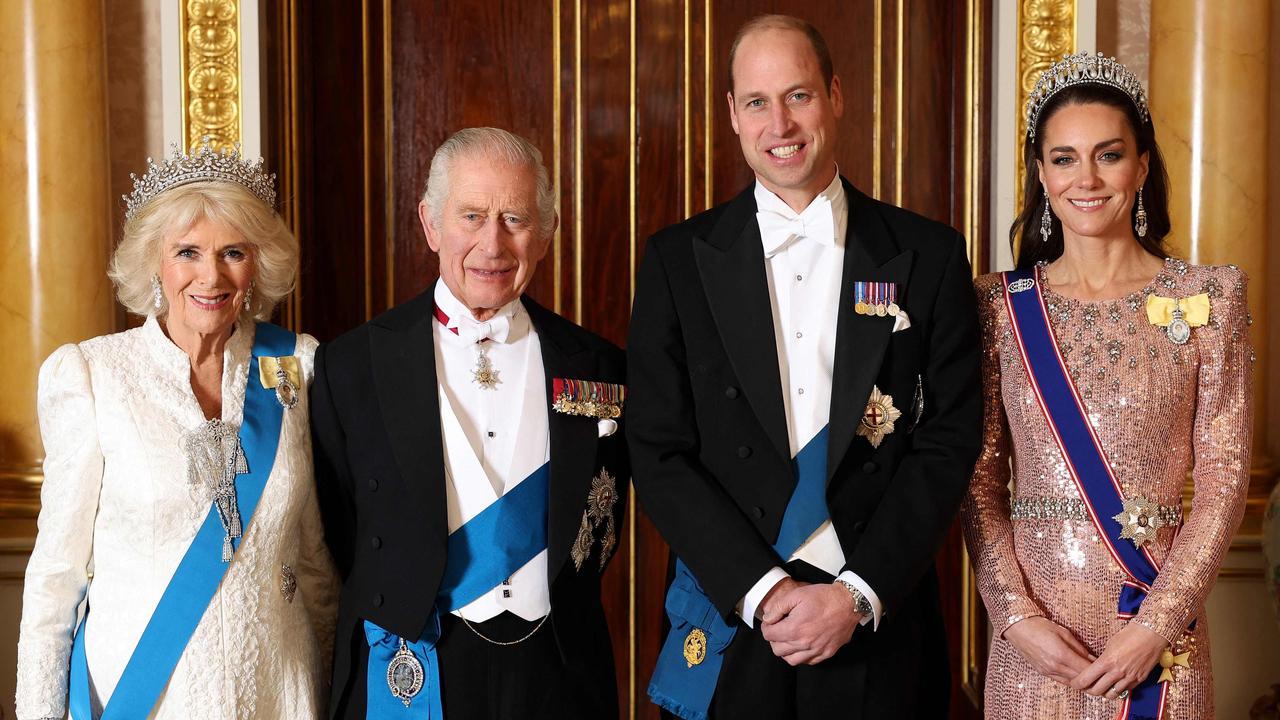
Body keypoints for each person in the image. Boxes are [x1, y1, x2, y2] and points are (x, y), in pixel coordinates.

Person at [627, 14, 981, 719]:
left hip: (879, 621)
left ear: (837, 96)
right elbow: (657, 448)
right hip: (735, 620)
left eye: (799, 95)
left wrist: (857, 594)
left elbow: (947, 442)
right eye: (757, 102)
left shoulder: (929, 254)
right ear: (732, 114)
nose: (780, 123)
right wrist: (766, 591)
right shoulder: (676, 261)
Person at [964, 52, 1251, 718]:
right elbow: (979, 481)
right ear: (1041, 174)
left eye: (1108, 155)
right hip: (1036, 646)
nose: (1086, 179)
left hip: (1158, 641)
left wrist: (1158, 623)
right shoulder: (998, 308)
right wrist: (1015, 615)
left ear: (1143, 165)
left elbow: (1223, 477)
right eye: (1064, 159)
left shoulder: (1210, 296)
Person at [311, 127, 628, 719]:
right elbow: (337, 529)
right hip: (412, 664)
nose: (493, 244)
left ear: (548, 232)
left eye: (515, 218)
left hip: (558, 674)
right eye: (472, 216)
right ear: (430, 224)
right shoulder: (352, 365)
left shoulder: (601, 366)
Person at [15, 141, 339, 720]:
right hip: (146, 696)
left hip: (280, 690)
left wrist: (341, 691)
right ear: (154, 263)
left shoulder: (296, 366)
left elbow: (314, 557)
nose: (210, 277)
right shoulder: (93, 376)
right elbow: (56, 580)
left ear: (257, 263)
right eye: (187, 252)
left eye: (232, 252)